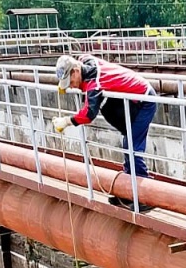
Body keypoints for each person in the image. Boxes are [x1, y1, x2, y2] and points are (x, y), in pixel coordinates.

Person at [51, 53, 156, 201]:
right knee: (128, 145)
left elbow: (88, 114)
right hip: (133, 100)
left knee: (132, 146)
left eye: (71, 81)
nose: (72, 86)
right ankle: (130, 190)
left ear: (76, 71)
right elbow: (83, 56)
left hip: (144, 101)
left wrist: (67, 121)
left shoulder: (95, 83)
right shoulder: (86, 62)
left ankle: (146, 194)